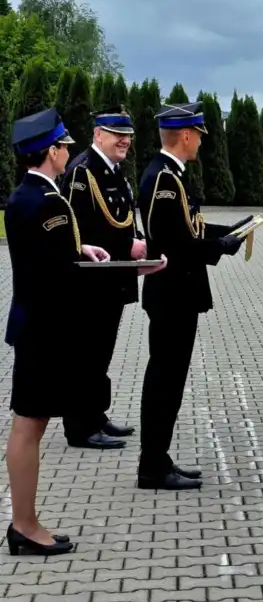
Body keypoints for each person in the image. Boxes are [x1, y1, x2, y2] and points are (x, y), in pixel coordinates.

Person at [3, 109, 110, 556]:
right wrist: (123, 271)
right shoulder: (48, 202)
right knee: (29, 424)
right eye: (65, 146)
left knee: (31, 422)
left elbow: (45, 255)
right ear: (51, 151)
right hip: (45, 331)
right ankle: (24, 526)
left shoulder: (25, 197)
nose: (69, 152)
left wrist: (80, 246)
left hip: (33, 324)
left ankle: (26, 522)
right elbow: (61, 275)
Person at [137, 103, 247, 491]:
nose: (201, 141)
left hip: (174, 292)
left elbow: (188, 226)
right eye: (198, 134)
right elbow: (175, 244)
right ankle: (152, 465)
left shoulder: (170, 175)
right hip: (173, 293)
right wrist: (221, 246)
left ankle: (158, 457)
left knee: (170, 378)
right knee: (165, 380)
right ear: (185, 135)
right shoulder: (165, 179)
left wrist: (229, 231)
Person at [60, 109, 145, 450]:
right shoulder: (82, 172)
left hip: (112, 280)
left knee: (101, 353)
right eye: (116, 133)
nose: (124, 140)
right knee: (85, 354)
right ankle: (79, 427)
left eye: (127, 135)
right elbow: (78, 231)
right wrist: (129, 246)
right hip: (90, 284)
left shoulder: (112, 171)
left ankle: (96, 415)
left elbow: (121, 218)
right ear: (98, 134)